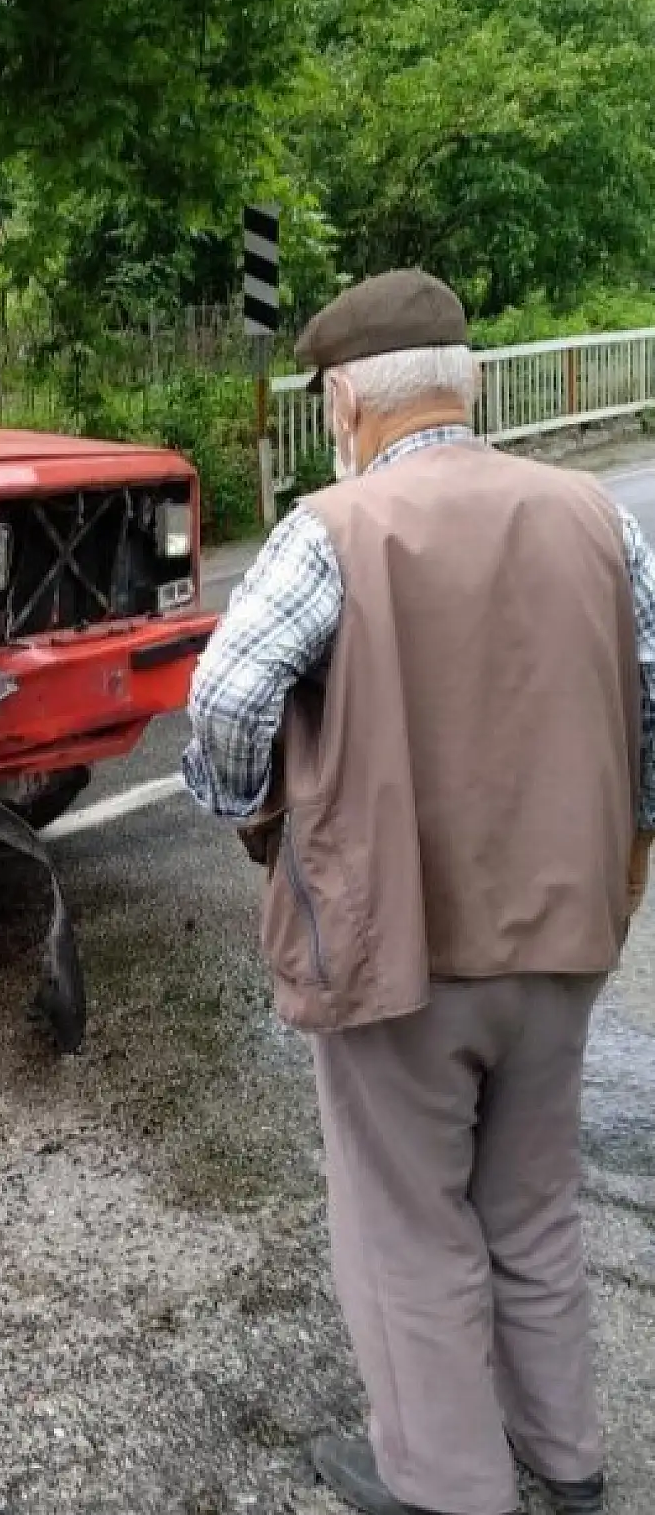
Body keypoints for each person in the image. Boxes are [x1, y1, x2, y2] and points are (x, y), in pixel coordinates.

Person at [182, 270, 655, 1515]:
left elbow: (228, 697)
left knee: (408, 1225)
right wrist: (631, 841)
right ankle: (565, 1461)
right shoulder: (595, 517)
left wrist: (247, 811)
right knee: (533, 1204)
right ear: (463, 382)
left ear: (345, 401)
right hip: (567, 931)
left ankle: (446, 1487)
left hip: (400, 947)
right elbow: (651, 695)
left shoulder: (335, 526)